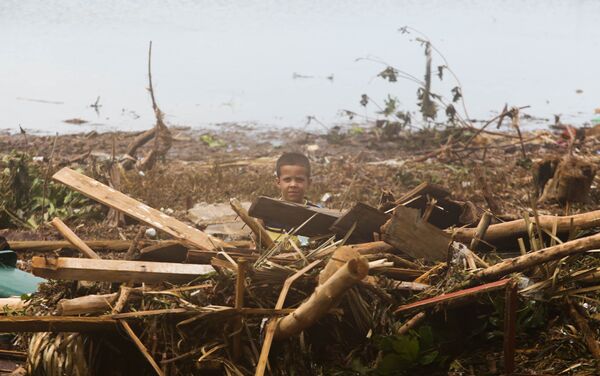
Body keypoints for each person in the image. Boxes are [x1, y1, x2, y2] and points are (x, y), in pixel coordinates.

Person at [264, 152, 316, 246]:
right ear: (278, 182)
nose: (293, 185)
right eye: (287, 180)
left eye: (299, 180)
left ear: (309, 182)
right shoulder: (265, 212)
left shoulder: (317, 214)